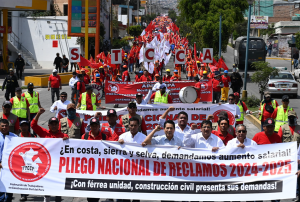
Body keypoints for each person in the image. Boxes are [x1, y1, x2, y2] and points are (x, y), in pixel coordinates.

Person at [30, 108, 68, 202]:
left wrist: (67, 140)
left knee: (58, 188)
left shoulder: (63, 136)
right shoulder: (44, 133)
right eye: (52, 124)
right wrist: (38, 113)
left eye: (55, 124)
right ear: (49, 125)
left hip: (59, 165)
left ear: (58, 125)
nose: (54, 126)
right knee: (47, 187)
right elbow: (33, 125)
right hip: (47, 164)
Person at [0, 119, 18, 202]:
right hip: (0, 166)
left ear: (9, 126)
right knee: (1, 189)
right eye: (2, 126)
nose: (4, 127)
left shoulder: (14, 137)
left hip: (11, 166)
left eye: (6, 125)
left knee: (10, 188)